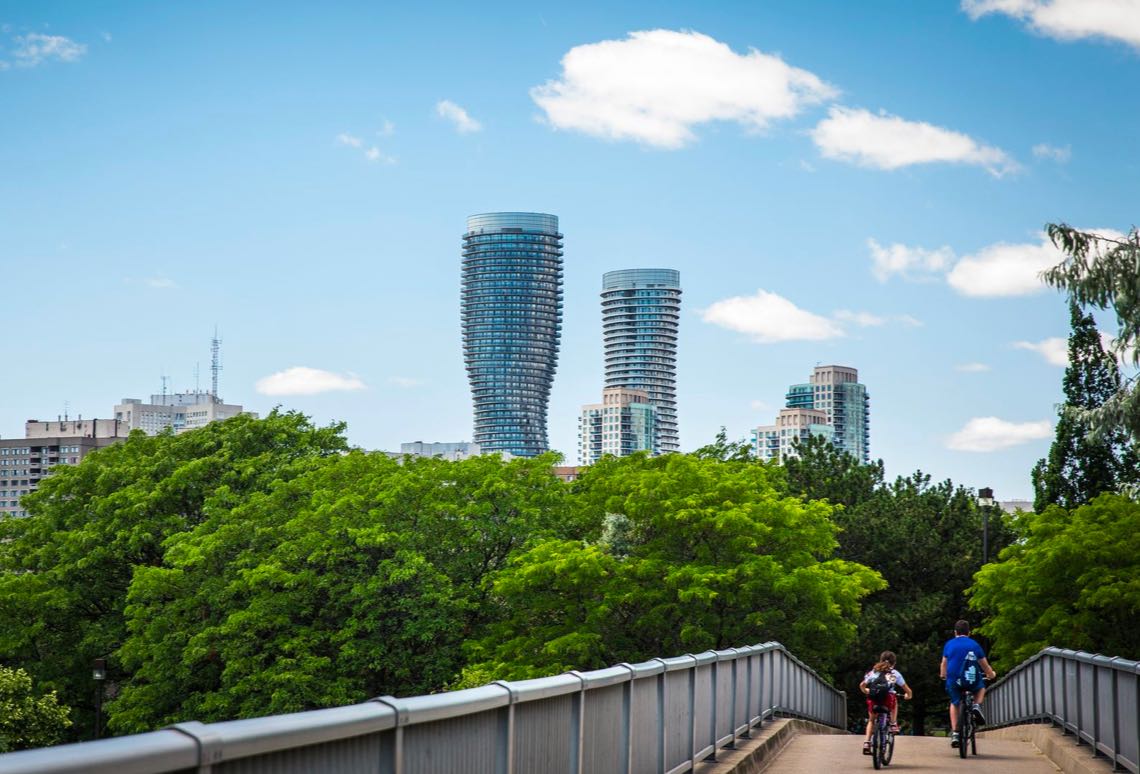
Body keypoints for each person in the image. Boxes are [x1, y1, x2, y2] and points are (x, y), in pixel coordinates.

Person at [940, 619, 997, 748]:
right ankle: (976, 705)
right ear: (969, 632)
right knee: (981, 687)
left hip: (954, 679)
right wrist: (991, 674)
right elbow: (984, 665)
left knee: (954, 703)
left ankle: (955, 733)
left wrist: (943, 675)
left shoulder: (949, 644)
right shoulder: (974, 645)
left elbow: (944, 663)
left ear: (955, 632)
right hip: (970, 677)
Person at [860, 650, 912, 754]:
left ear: (880, 660)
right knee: (894, 700)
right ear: (894, 663)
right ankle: (893, 723)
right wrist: (908, 696)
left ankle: (867, 742)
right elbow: (908, 690)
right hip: (888, 700)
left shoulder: (873, 672)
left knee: (871, 720)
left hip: (874, 699)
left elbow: (862, 685)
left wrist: (866, 691)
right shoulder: (895, 673)